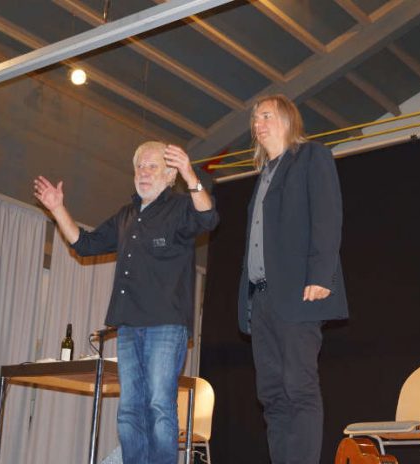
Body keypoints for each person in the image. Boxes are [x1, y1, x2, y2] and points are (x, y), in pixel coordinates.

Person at [34, 141, 219, 464]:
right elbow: (84, 243)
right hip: (129, 327)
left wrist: (192, 176)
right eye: (139, 167)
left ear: (170, 174)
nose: (144, 173)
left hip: (166, 325)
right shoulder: (126, 216)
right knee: (129, 411)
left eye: (152, 166)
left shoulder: (180, 207)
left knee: (160, 406)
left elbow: (208, 218)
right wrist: (57, 209)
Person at [237, 95, 348, 464]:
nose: (258, 123)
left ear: (287, 119)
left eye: (265, 115)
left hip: (299, 292)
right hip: (262, 299)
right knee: (271, 394)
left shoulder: (311, 157)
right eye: (255, 118)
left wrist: (321, 274)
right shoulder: (264, 176)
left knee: (298, 387)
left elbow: (327, 217)